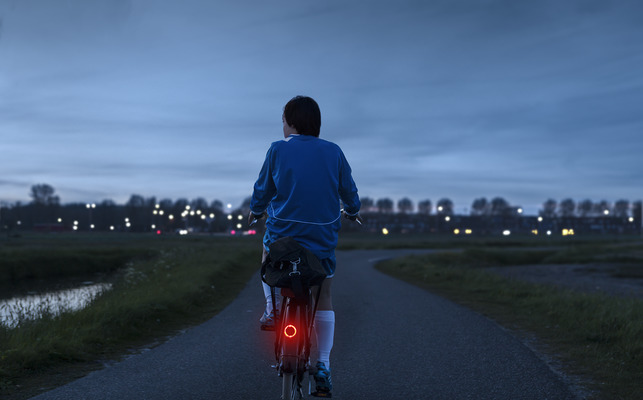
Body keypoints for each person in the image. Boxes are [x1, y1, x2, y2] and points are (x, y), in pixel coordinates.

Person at [248, 95, 361, 396]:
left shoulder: (277, 149)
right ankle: (322, 363)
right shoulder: (334, 151)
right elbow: (348, 189)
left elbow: (263, 188)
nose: (282, 126)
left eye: (283, 120)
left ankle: (272, 310)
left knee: (267, 251)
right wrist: (353, 209)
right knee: (323, 293)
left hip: (283, 236)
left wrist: (256, 209)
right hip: (321, 239)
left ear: (291, 121)